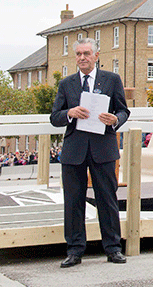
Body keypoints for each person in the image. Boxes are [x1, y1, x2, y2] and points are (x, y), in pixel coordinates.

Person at [50, 38, 129, 268]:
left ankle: (113, 248)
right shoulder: (67, 84)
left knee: (107, 199)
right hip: (74, 150)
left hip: (103, 148)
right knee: (73, 201)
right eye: (78, 54)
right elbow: (55, 117)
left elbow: (124, 110)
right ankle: (74, 250)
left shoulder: (111, 80)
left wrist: (115, 120)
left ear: (96, 55)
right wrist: (69, 113)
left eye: (86, 53)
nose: (82, 58)